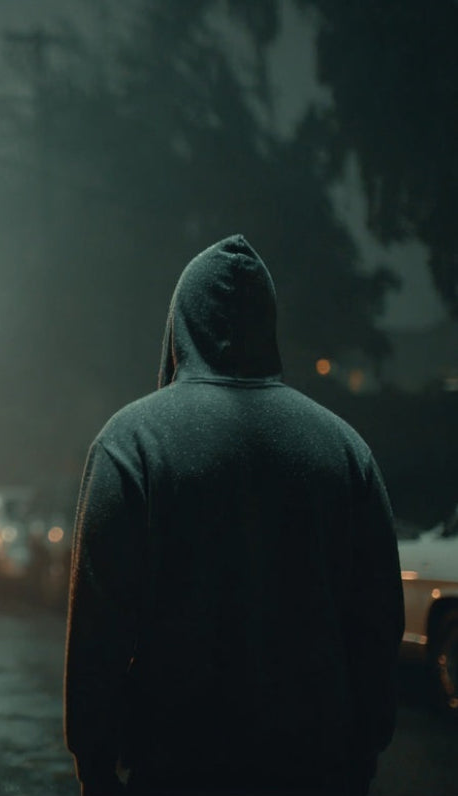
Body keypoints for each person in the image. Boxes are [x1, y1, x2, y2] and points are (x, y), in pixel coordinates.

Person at [64, 235, 404, 796]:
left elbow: (99, 627)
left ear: (180, 326)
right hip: (316, 767)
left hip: (177, 765)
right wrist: (364, 748)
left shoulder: (132, 442)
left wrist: (94, 763)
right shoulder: (345, 450)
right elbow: (377, 622)